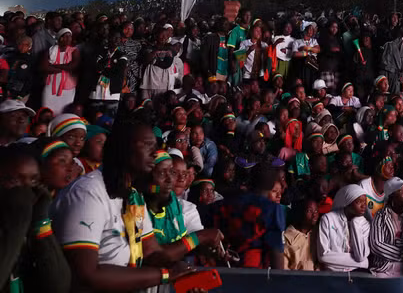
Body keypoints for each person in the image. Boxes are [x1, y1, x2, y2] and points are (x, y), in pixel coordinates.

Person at [52, 119, 198, 291]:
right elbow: (87, 274)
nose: (154, 153)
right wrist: (165, 275)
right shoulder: (87, 193)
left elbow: (151, 252)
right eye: (147, 145)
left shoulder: (133, 195)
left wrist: (179, 270)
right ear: (123, 149)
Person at [0, 145, 71, 293]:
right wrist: (18, 220)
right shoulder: (17, 220)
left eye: (33, 181)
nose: (26, 190)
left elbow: (58, 285)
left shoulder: (31, 222)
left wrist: (40, 218)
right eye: (14, 181)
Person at [212, 163, 286, 268]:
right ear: (272, 184)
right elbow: (276, 251)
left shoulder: (224, 202)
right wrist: (279, 276)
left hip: (225, 267)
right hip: (254, 271)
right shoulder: (272, 209)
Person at [317, 184, 371, 272]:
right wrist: (361, 263)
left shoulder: (365, 224)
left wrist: (355, 223)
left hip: (356, 273)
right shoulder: (327, 219)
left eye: (365, 202)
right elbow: (323, 256)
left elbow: (361, 256)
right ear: (347, 203)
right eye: (359, 202)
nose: (363, 206)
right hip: (333, 273)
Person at [41, 28, 79, 116]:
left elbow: (73, 66)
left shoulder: (74, 50)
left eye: (70, 36)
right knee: (47, 111)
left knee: (65, 112)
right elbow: (44, 68)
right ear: (60, 38)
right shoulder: (50, 50)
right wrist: (65, 68)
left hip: (67, 88)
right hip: (51, 86)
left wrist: (54, 66)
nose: (69, 39)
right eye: (66, 36)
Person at [283, 197, 320, 271]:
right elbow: (284, 267)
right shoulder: (287, 236)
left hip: (317, 277)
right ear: (300, 212)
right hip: (295, 277)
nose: (314, 215)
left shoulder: (319, 233)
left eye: (316, 211)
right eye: (309, 211)